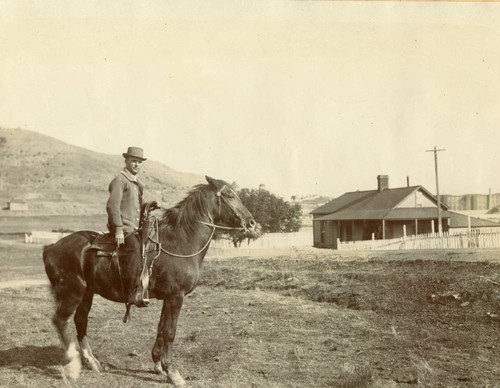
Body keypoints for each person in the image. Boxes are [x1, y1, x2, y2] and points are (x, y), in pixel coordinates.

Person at [106, 146, 149, 307]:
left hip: (135, 229)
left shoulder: (137, 184)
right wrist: (118, 229)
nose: (136, 164)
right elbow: (113, 206)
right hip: (124, 229)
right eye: (133, 161)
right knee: (134, 249)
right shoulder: (121, 180)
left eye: (139, 162)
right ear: (126, 161)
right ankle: (132, 292)